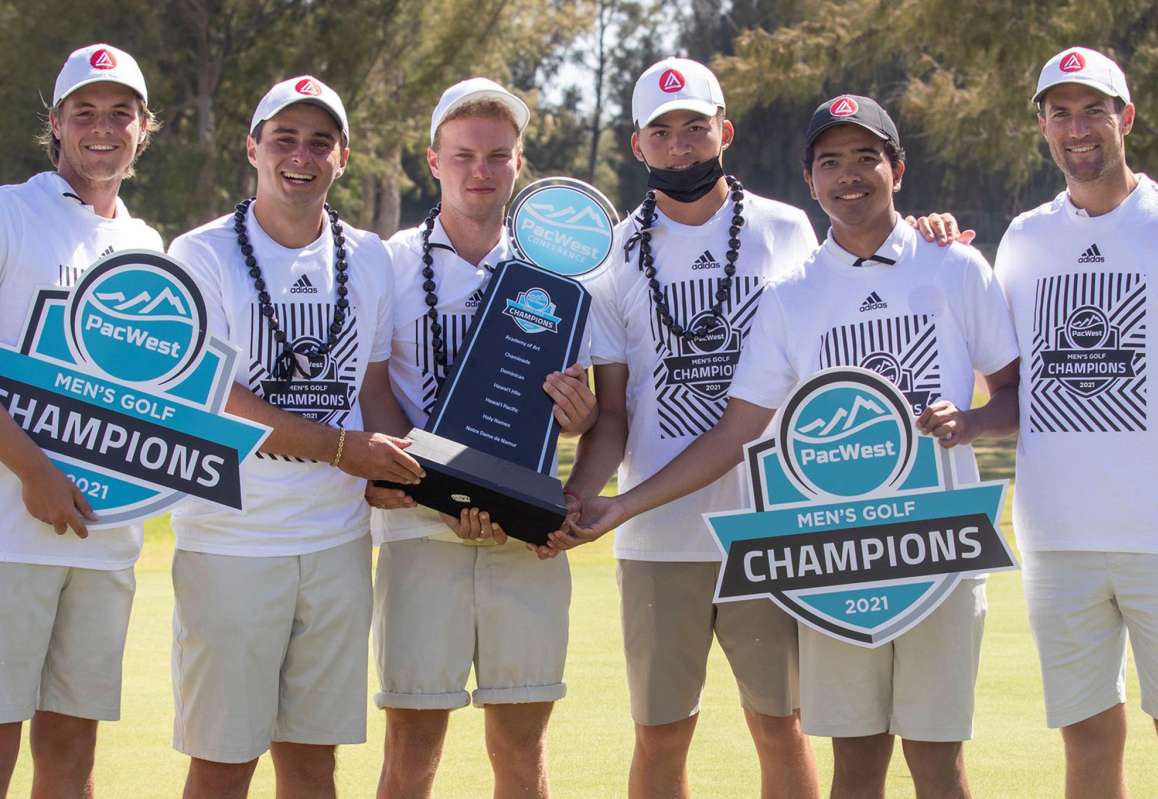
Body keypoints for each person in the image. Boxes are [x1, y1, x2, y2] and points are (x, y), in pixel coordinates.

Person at [560, 92, 1019, 799]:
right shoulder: (790, 294)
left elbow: (1015, 394)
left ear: (897, 166)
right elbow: (737, 430)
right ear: (810, 180)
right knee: (854, 763)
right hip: (829, 552)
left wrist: (975, 423)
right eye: (830, 162)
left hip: (936, 548)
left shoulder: (954, 266)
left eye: (866, 157)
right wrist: (623, 505)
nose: (849, 176)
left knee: (938, 763)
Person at [165, 75, 422, 799]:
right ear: (253, 148)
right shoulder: (201, 253)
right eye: (284, 138)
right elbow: (212, 396)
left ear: (342, 156)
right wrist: (344, 451)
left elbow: (372, 390)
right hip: (230, 541)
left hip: (338, 540)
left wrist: (420, 473)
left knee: (312, 763)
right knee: (222, 762)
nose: (300, 156)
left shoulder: (368, 257)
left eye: (320, 141)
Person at [367, 77, 597, 799]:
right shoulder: (388, 261)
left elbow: (586, 401)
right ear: (432, 159)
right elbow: (373, 388)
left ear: (519, 164)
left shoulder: (560, 271)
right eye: (463, 154)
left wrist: (579, 414)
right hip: (415, 528)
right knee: (411, 745)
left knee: (521, 744)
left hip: (522, 533)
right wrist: (422, 483)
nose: (480, 170)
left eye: (498, 156)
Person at [994, 47, 1158, 799]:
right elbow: (1011, 384)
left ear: (1127, 118)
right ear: (1043, 126)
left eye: (1093, 110)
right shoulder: (1022, 239)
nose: (1076, 128)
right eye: (1060, 112)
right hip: (1058, 540)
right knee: (1087, 740)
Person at [0, 43, 163, 797]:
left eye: (120, 114)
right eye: (86, 113)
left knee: (71, 749)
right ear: (57, 124)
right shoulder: (8, 212)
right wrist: (33, 471)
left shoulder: (145, 245)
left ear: (143, 128)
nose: (104, 128)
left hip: (104, 537)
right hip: (8, 534)